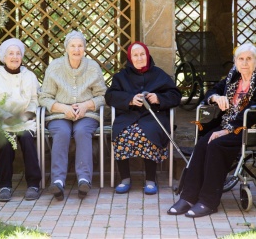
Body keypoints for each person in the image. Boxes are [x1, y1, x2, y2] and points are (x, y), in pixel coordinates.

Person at [167, 43, 256, 218]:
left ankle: (208, 201)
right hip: (226, 124)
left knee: (215, 145)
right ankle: (188, 197)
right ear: (235, 62)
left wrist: (227, 131)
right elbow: (210, 93)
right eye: (241, 59)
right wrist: (217, 97)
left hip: (247, 129)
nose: (244, 63)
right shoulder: (233, 78)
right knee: (202, 143)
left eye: (249, 59)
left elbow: (252, 112)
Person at [105, 42, 182, 195]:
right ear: (130, 58)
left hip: (153, 115)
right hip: (128, 116)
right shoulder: (121, 77)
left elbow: (175, 95)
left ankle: (151, 180)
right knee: (122, 133)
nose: (139, 58)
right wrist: (130, 99)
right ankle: (125, 178)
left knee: (149, 132)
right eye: (135, 55)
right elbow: (110, 96)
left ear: (147, 56)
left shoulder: (159, 74)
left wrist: (159, 98)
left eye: (142, 54)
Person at [39, 30, 107, 201]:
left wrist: (86, 106)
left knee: (82, 132)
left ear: (84, 48)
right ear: (66, 48)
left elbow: (103, 95)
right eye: (73, 46)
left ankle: (84, 179)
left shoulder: (92, 67)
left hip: (87, 114)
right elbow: (44, 97)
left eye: (80, 46)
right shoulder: (55, 66)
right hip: (59, 115)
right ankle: (57, 181)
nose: (77, 50)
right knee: (61, 133)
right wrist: (62, 107)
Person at [0, 38, 42, 202]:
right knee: (5, 141)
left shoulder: (29, 76)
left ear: (22, 56)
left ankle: (33, 185)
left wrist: (27, 114)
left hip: (25, 119)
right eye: (11, 53)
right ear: (3, 56)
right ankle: (5, 186)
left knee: (28, 139)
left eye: (18, 53)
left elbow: (35, 99)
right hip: (3, 120)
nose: (15, 57)